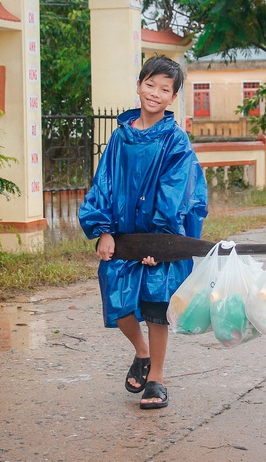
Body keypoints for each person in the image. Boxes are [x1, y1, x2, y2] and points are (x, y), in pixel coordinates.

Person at [78, 55, 208, 409]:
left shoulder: (176, 142)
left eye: (164, 89)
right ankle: (142, 351)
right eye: (150, 84)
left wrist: (160, 241)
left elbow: (177, 191)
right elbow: (103, 184)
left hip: (156, 238)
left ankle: (157, 379)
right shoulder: (120, 138)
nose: (155, 93)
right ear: (139, 86)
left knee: (155, 307)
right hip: (121, 236)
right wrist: (103, 229)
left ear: (172, 97)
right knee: (118, 304)